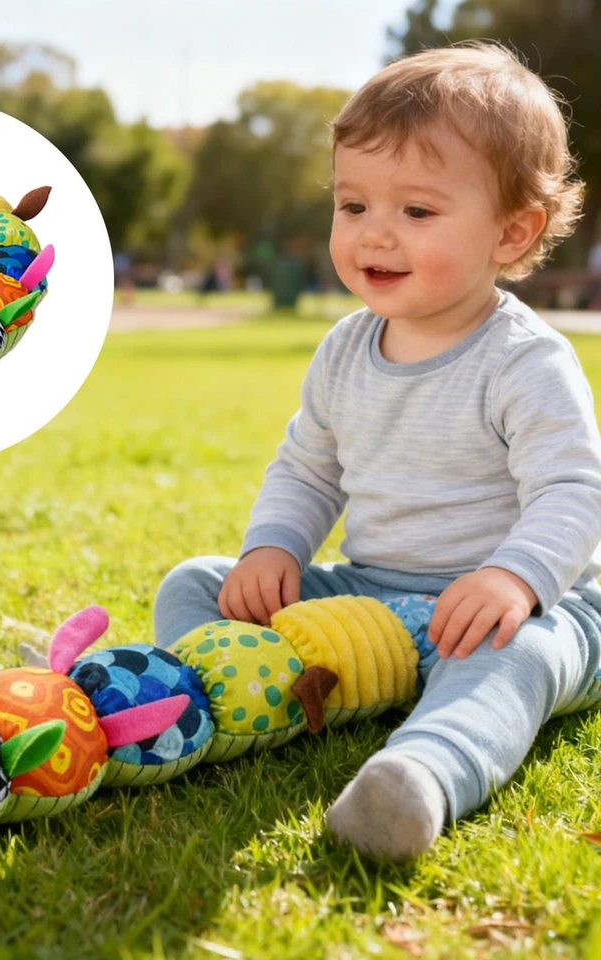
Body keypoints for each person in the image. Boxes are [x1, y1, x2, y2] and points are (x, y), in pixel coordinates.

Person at [153, 42, 601, 860]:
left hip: (513, 605)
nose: (374, 235)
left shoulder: (524, 360)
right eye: (353, 206)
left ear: (512, 232)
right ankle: (215, 700)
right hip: (373, 597)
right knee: (199, 582)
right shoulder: (345, 349)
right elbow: (307, 468)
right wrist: (274, 547)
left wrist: (515, 577)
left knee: (520, 658)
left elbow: (574, 489)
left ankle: (422, 776)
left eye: (418, 213)